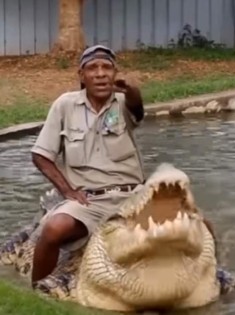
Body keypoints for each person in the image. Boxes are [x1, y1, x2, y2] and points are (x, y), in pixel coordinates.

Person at [29, 45, 145, 286]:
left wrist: (131, 89)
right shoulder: (65, 105)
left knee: (193, 225)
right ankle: (36, 295)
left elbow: (138, 109)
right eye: (93, 68)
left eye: (107, 67)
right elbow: (41, 155)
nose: (100, 73)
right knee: (53, 229)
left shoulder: (124, 102)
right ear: (81, 76)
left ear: (115, 74)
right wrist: (68, 191)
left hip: (132, 198)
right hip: (89, 202)